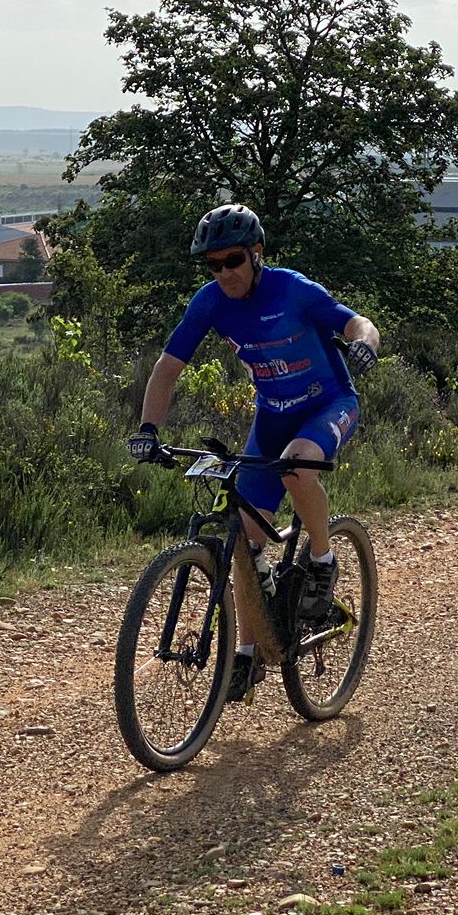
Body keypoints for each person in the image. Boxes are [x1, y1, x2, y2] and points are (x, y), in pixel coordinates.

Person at [128, 203, 381, 702]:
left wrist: (365, 344)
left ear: (257, 254)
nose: (225, 272)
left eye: (234, 260)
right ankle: (246, 654)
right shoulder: (210, 302)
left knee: (297, 467)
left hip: (329, 405)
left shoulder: (293, 289)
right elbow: (168, 366)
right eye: (214, 264)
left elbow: (358, 324)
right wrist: (148, 428)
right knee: (242, 538)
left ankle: (324, 558)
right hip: (272, 416)